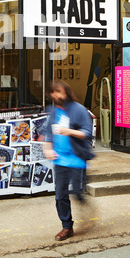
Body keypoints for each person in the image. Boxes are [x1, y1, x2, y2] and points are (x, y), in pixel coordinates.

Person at [43, 80, 94, 242]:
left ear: (66, 92)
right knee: (60, 195)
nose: (56, 95)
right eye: (53, 92)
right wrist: (48, 149)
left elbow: (87, 133)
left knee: (77, 192)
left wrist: (68, 131)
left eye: (59, 91)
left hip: (77, 159)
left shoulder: (79, 110)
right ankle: (67, 226)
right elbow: (48, 134)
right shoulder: (53, 111)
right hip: (60, 160)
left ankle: (81, 197)